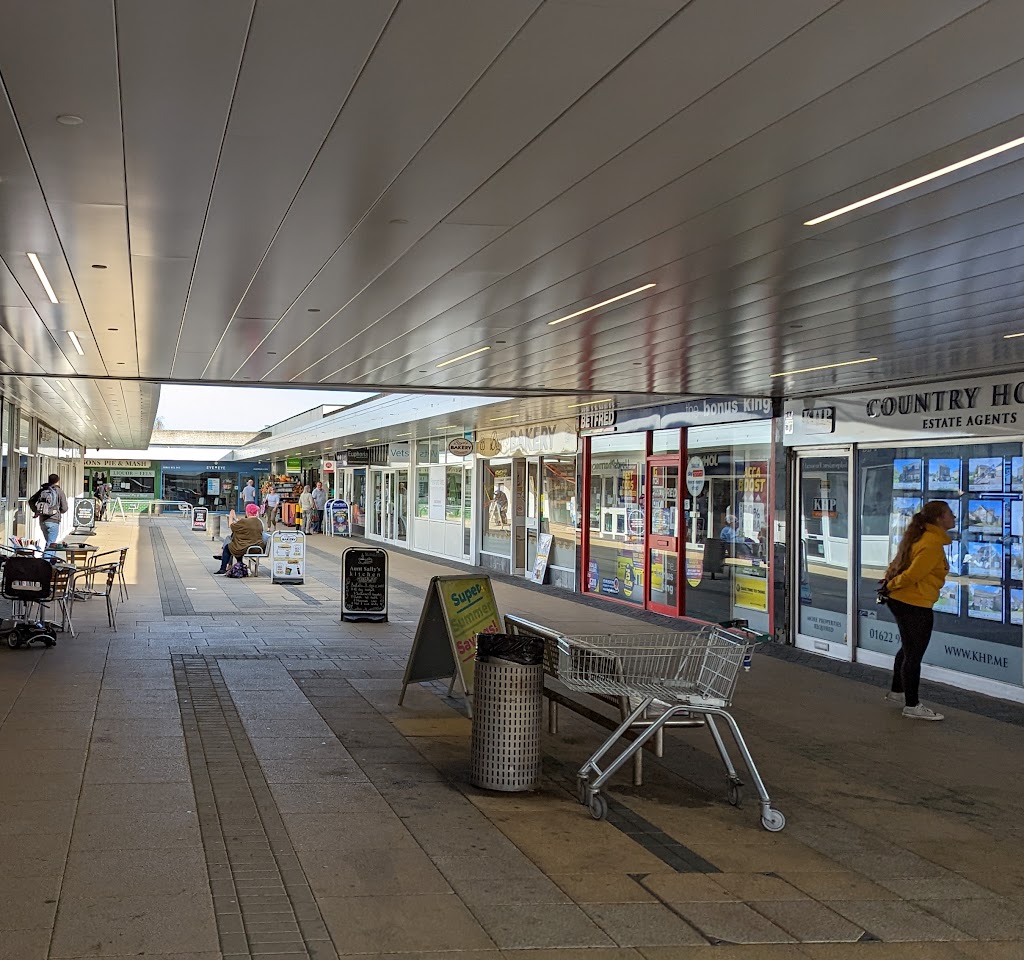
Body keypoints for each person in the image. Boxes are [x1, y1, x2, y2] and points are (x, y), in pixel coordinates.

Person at [881, 500, 957, 721]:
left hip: (906, 600)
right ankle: (912, 705)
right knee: (914, 654)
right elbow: (913, 574)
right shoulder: (931, 543)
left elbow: (900, 564)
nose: (953, 517)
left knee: (908, 648)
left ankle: (897, 691)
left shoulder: (923, 537)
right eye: (949, 513)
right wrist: (890, 585)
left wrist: (889, 586)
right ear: (939, 518)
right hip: (913, 603)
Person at [213, 503, 266, 575]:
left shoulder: (244, 521)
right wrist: (235, 518)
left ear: (247, 512)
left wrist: (231, 517)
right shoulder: (259, 522)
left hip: (246, 547)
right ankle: (239, 563)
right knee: (237, 543)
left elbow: (231, 526)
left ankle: (223, 568)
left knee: (228, 547)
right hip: (258, 548)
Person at [28, 473, 68, 555]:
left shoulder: (43, 490)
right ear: (58, 481)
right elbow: (64, 508)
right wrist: (57, 511)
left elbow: (31, 500)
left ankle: (53, 561)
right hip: (54, 520)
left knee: (50, 542)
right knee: (50, 545)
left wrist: (36, 511)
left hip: (42, 520)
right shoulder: (59, 491)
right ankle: (45, 562)